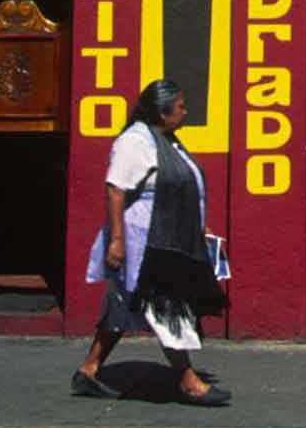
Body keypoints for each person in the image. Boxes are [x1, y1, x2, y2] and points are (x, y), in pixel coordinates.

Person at [72, 78, 230, 406]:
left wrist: (197, 225)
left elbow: (184, 186)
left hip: (168, 233)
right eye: (181, 106)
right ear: (162, 110)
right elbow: (116, 188)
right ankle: (188, 381)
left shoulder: (167, 141)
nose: (185, 111)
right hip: (145, 240)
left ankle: (88, 371)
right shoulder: (135, 141)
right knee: (166, 308)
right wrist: (116, 241)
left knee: (120, 306)